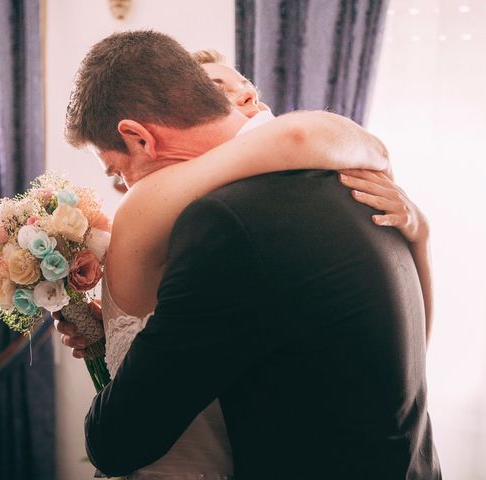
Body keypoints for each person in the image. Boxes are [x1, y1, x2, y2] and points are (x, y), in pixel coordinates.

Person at [59, 30, 440, 479]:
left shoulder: (223, 223)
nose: (125, 187)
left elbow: (118, 442)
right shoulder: (359, 186)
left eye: (117, 170)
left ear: (139, 139)